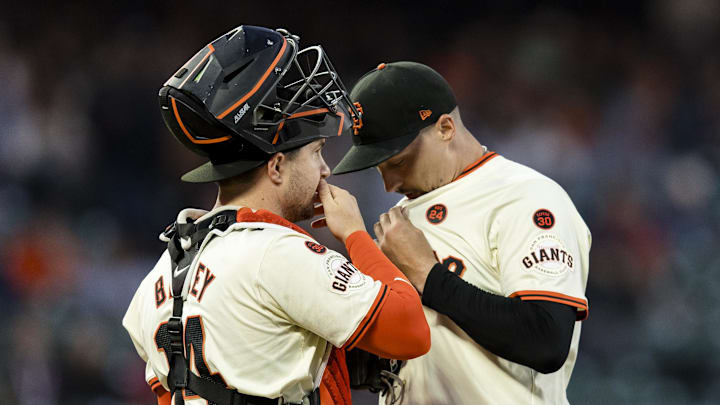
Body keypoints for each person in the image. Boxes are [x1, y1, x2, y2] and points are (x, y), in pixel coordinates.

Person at [122, 28, 430, 405]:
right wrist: (355, 234)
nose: (325, 170)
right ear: (278, 166)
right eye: (317, 151)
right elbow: (410, 331)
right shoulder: (276, 251)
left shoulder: (161, 274)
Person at [332, 61, 591, 404]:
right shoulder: (402, 219)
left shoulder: (525, 197)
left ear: (445, 128)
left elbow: (545, 340)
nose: (389, 184)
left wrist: (428, 275)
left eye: (398, 162)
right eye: (379, 167)